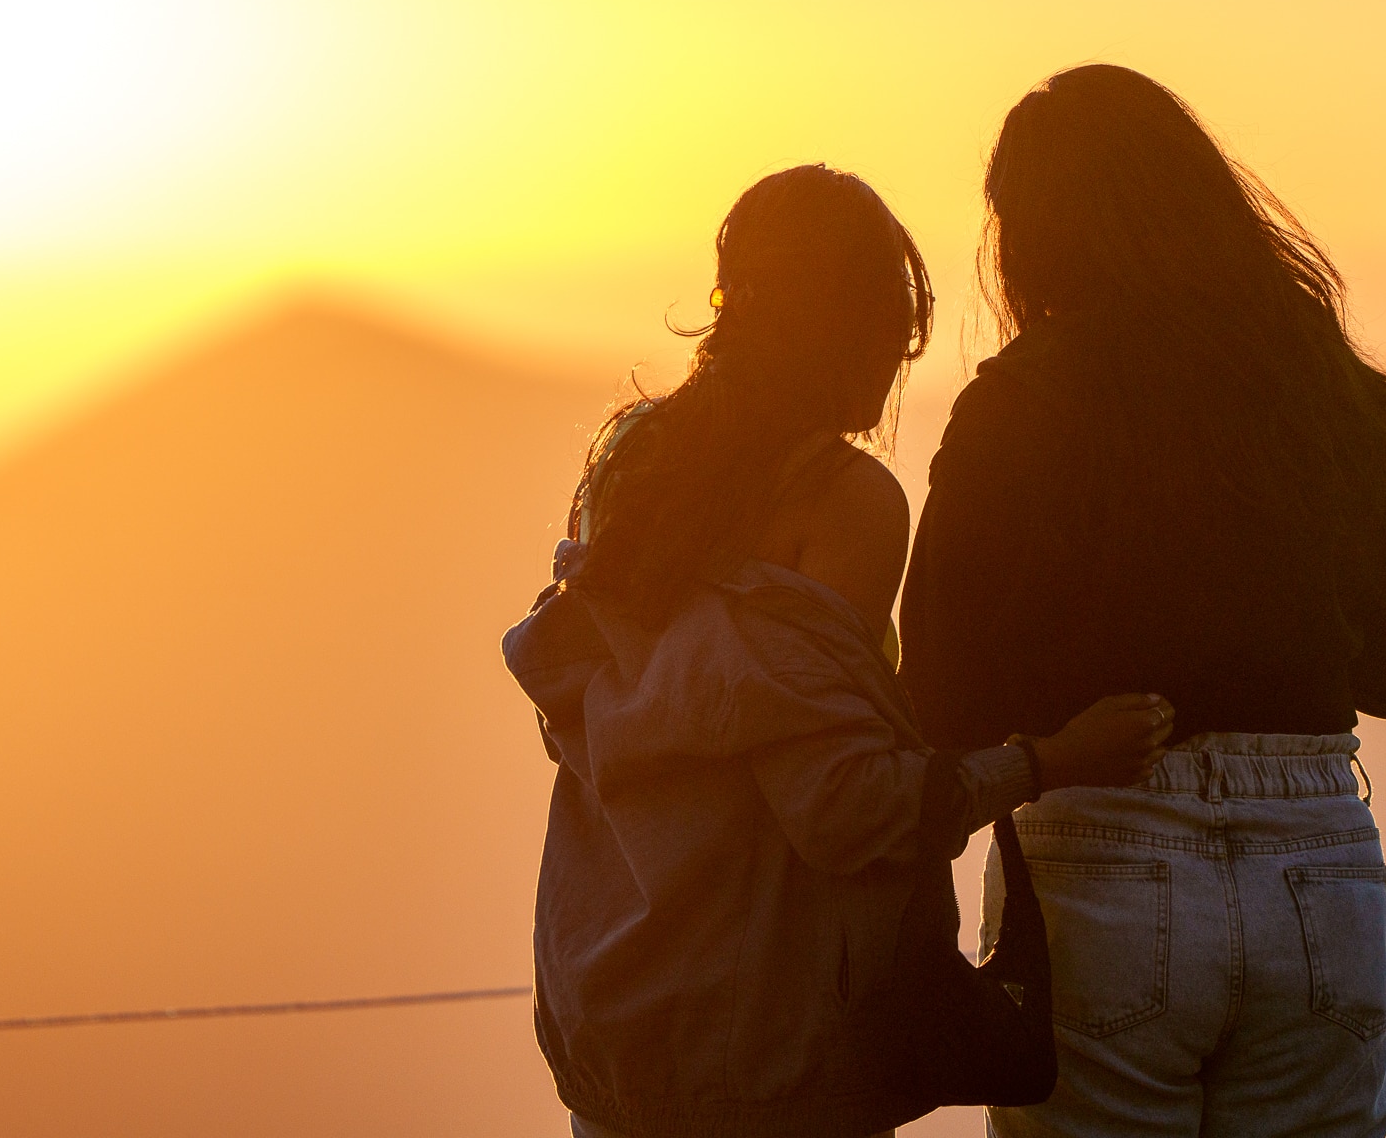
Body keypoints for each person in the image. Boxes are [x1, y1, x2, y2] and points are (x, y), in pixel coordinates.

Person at [503, 163, 1174, 1138]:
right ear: (847, 328)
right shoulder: (842, 499)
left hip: (612, 1020)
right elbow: (846, 811)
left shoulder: (627, 464)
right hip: (769, 1049)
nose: (898, 366)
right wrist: (1052, 761)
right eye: (896, 333)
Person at [900, 66, 1386, 1138]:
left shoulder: (1020, 402)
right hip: (1318, 866)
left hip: (1102, 847)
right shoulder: (1334, 394)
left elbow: (940, 702)